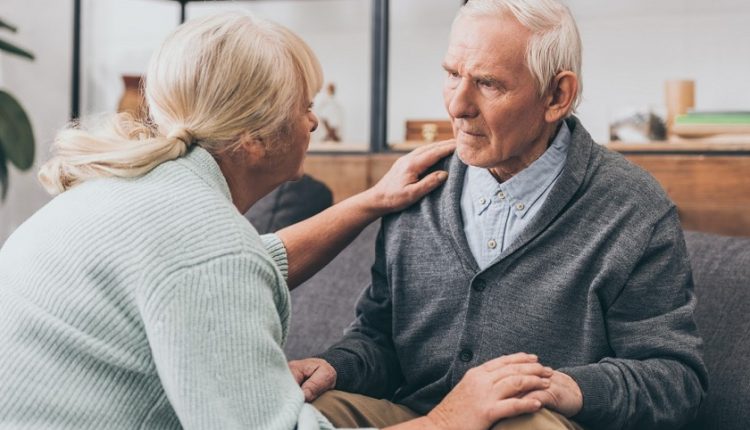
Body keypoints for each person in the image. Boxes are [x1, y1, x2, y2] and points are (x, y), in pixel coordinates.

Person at [0, 11, 558, 430]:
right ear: (253, 138)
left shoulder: (141, 192)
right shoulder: (206, 248)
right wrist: (451, 417)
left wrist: (368, 201)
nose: (314, 121)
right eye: (302, 106)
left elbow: (251, 263)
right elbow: (219, 268)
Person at [290, 1, 708, 429]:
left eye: (488, 84)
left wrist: (570, 388)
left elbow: (675, 381)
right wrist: (336, 366)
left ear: (556, 95)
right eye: (452, 74)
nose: (457, 106)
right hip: (419, 419)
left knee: (525, 422)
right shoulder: (416, 185)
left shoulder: (633, 207)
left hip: (535, 422)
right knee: (303, 412)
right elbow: (380, 339)